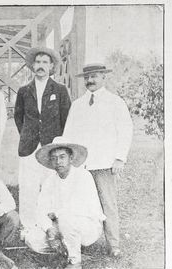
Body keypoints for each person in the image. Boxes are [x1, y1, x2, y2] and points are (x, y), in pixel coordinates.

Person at [63, 63, 133, 257]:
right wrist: (71, 161)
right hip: (81, 166)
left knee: (108, 204)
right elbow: (69, 134)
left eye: (94, 76)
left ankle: (114, 245)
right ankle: (80, 241)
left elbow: (125, 131)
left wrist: (120, 158)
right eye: (87, 77)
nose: (90, 80)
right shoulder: (77, 105)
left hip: (104, 163)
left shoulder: (115, 102)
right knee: (80, 203)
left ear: (104, 77)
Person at [14, 47, 71, 237]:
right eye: (37, 62)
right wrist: (29, 135)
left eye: (45, 62)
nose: (40, 66)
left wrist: (56, 143)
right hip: (29, 148)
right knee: (28, 187)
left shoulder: (60, 90)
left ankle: (51, 226)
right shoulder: (23, 91)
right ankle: (28, 227)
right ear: (32, 65)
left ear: (51, 66)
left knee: (51, 185)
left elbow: (66, 119)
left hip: (51, 147)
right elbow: (18, 118)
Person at [25, 136, 106, 269]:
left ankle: (75, 262)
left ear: (71, 158)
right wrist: (49, 229)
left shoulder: (83, 176)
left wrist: (57, 214)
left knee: (67, 220)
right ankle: (63, 250)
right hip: (58, 226)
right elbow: (41, 209)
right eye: (54, 158)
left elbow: (82, 208)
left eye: (62, 157)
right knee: (32, 239)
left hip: (87, 227)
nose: (58, 162)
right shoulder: (49, 181)